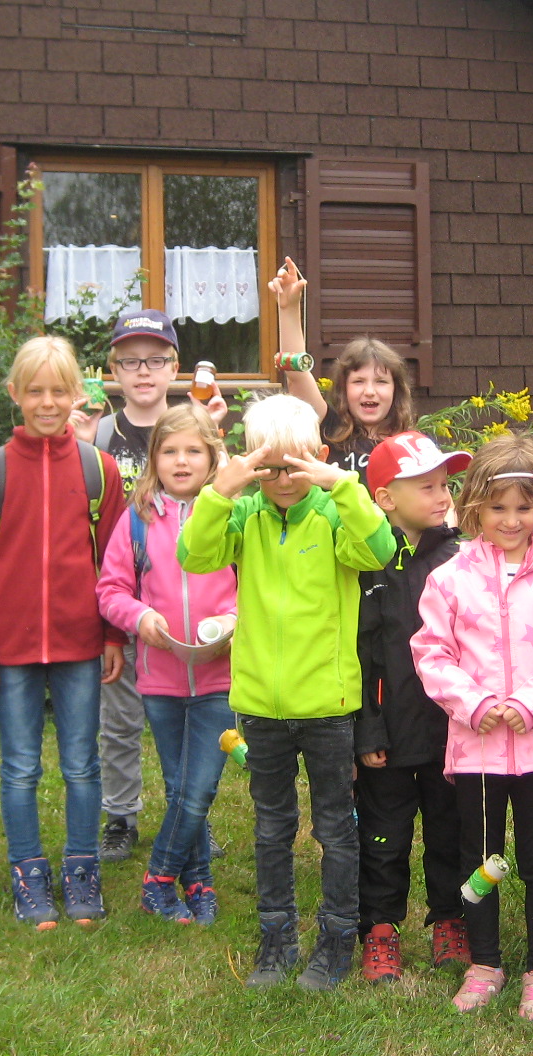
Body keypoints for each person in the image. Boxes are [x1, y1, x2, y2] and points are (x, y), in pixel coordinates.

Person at [177, 392, 395, 990]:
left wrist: (340, 483)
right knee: (272, 827)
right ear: (249, 465)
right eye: (267, 469)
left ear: (320, 459)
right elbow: (193, 556)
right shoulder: (242, 516)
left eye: (295, 467)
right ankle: (276, 938)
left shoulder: (332, 514)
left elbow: (379, 549)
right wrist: (222, 489)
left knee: (333, 828)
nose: (282, 481)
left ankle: (337, 938)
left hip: (326, 706)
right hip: (262, 706)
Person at [413, 435, 533, 1023]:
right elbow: (431, 652)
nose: (512, 520)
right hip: (477, 749)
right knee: (483, 858)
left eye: (524, 508)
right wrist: (473, 703)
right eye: (498, 508)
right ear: (474, 511)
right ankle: (485, 961)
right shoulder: (450, 577)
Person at [0, 336, 126, 930]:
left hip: (81, 643)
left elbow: (116, 564)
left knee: (81, 765)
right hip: (12, 647)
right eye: (34, 392)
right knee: (19, 767)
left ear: (78, 394)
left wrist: (111, 635)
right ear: (15, 396)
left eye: (58, 391)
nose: (47, 402)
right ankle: (29, 874)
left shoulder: (97, 471)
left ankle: (80, 872)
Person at [87, 307, 229, 866]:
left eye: (154, 360)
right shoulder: (98, 434)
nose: (143, 372)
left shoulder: (200, 428)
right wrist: (121, 617)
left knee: (199, 742)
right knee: (120, 721)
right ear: (114, 370)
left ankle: (192, 821)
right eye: (130, 361)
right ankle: (121, 816)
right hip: (132, 607)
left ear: (173, 367)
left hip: (207, 637)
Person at [96, 404, 238, 927]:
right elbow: (109, 589)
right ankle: (198, 880)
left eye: (193, 451)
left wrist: (233, 620)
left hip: (221, 677)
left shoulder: (231, 515)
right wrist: (139, 618)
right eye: (170, 451)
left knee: (198, 787)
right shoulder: (137, 518)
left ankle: (158, 880)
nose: (181, 461)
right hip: (160, 679)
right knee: (182, 789)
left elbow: (254, 588)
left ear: (212, 457)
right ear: (154, 458)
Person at [353, 431, 474, 982]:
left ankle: (450, 918)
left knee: (450, 833)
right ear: (385, 499)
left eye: (444, 484)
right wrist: (367, 728)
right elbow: (359, 651)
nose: (441, 496)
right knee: (384, 836)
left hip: (450, 732)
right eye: (425, 486)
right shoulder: (364, 563)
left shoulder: (460, 558)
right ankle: (380, 928)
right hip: (389, 734)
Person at [267, 256, 416, 481]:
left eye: (381, 381)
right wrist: (289, 308)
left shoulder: (413, 446)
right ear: (343, 389)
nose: (369, 391)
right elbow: (296, 374)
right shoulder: (330, 429)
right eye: (358, 381)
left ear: (397, 389)